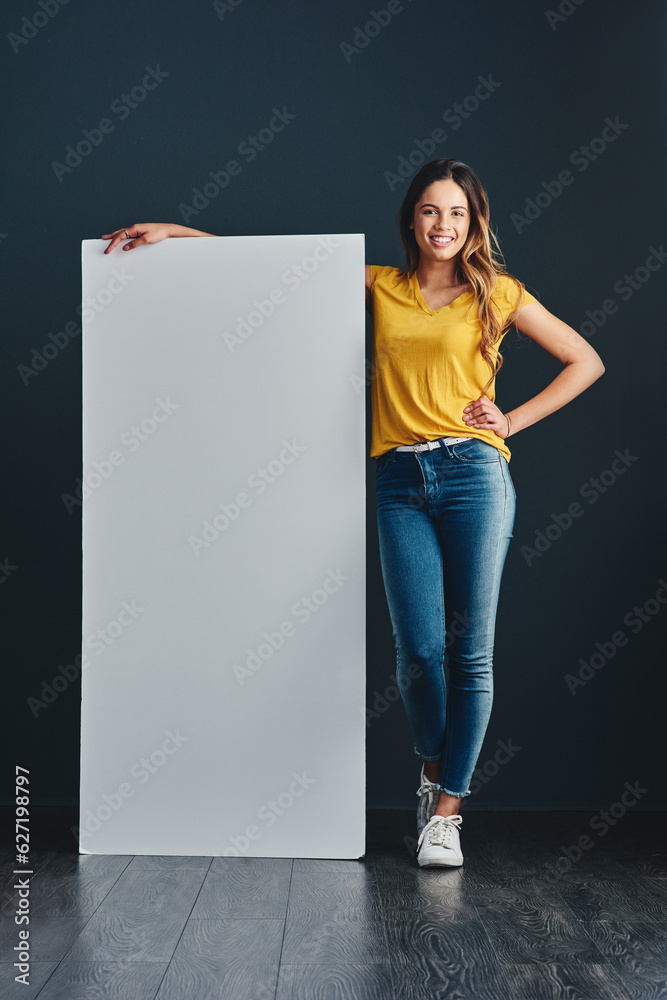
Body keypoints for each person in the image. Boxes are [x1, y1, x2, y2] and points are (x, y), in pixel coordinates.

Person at [101, 157, 604, 869]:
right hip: (398, 479)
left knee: (471, 653)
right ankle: (431, 770)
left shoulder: (496, 294)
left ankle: (447, 814)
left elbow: (585, 359)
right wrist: (174, 233)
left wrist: (510, 421)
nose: (443, 225)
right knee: (419, 653)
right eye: (431, 211)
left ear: (473, 222)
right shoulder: (383, 286)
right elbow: (274, 267)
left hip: (473, 475)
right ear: (411, 218)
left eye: (457, 213)